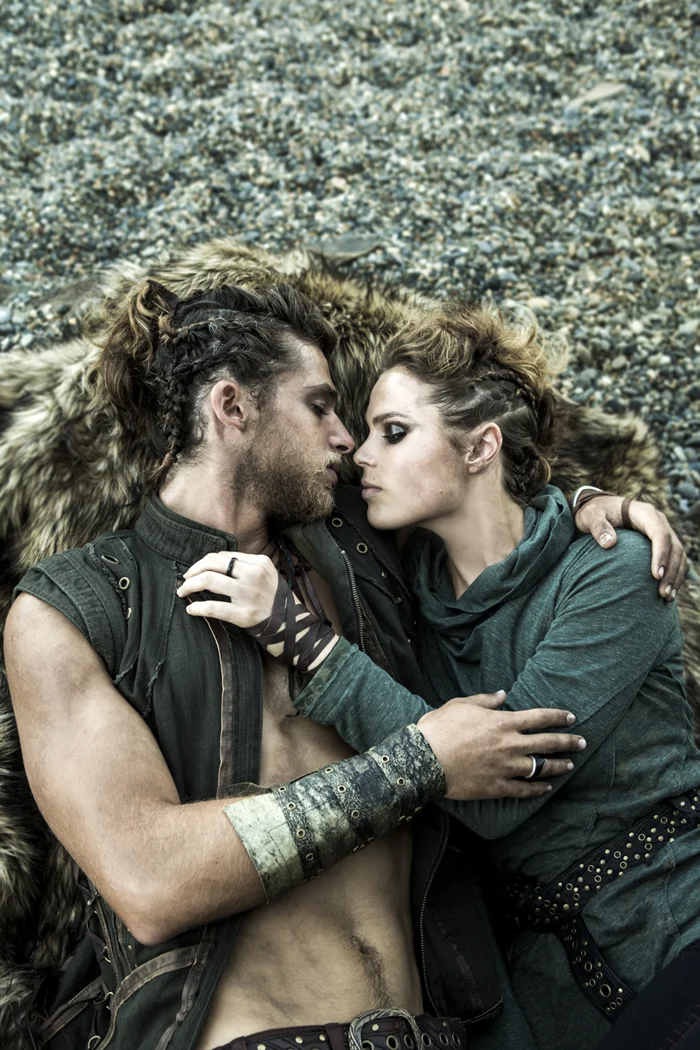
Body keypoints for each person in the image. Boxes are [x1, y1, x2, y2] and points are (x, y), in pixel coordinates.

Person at [4, 283, 681, 1050]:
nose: (345, 439)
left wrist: (594, 506)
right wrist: (419, 763)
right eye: (321, 407)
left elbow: (484, 493)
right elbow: (151, 882)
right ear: (232, 406)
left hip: (445, 1033)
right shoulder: (76, 609)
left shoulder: (365, 547)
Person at [191, 302, 698, 1050]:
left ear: (482, 446)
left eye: (394, 433)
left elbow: (498, 787)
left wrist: (305, 642)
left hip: (678, 935)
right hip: (544, 999)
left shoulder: (613, 570)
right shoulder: (406, 595)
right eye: (365, 433)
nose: (361, 455)